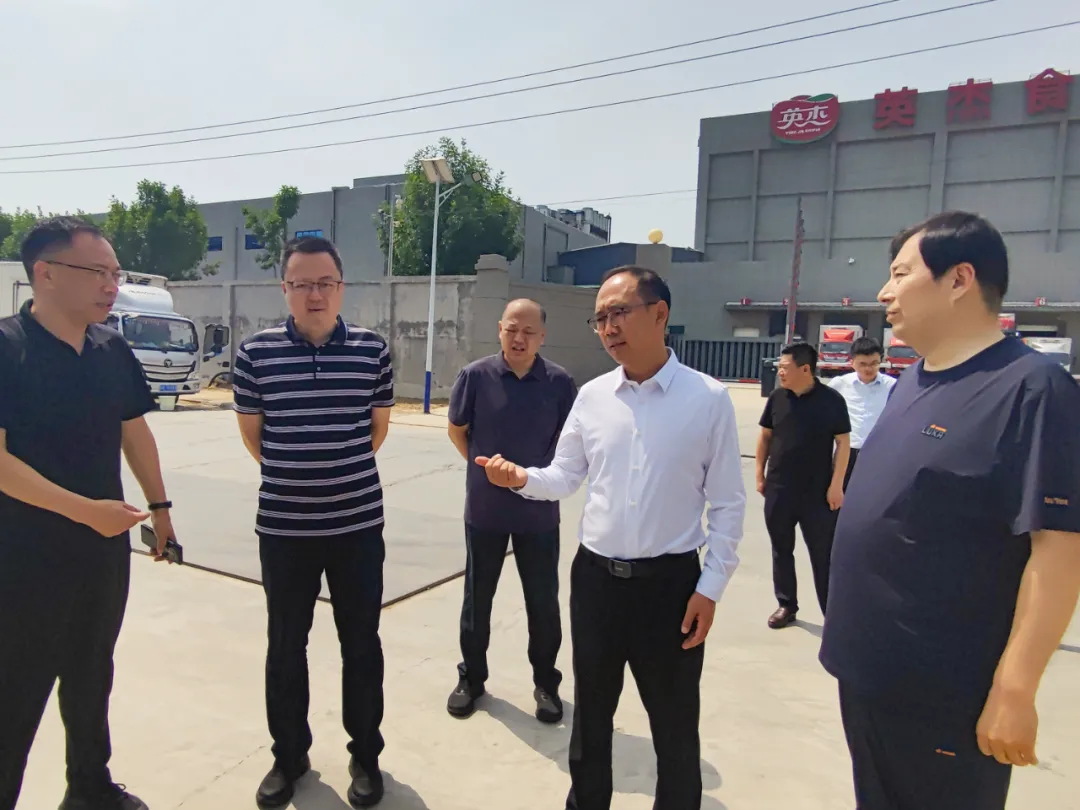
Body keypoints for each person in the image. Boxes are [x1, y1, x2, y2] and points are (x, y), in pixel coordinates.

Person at [820, 211, 1080, 810]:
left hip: (945, 696)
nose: (884, 292)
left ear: (960, 279)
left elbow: (1059, 550)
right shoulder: (914, 380)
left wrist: (1015, 689)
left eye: (900, 274)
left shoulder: (1031, 389)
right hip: (870, 676)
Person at [476, 266, 745, 810]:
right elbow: (565, 476)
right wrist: (521, 478)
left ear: (659, 314)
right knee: (592, 718)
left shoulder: (708, 399)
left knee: (674, 724)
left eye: (618, 312)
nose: (607, 328)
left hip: (670, 588)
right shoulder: (593, 397)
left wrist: (710, 587)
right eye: (600, 318)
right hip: (596, 581)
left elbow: (728, 504)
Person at [0, 217, 177, 810]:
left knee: (91, 673)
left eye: (115, 273)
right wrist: (84, 512)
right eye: (97, 272)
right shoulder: (7, 348)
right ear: (45, 273)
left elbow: (134, 429)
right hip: (23, 557)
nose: (111, 285)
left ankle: (90, 789)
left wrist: (160, 507)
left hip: (102, 553)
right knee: (16, 690)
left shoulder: (110, 348)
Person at [232, 237, 395, 809]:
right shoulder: (255, 354)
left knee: (362, 644)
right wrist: (298, 477)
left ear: (341, 287)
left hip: (357, 526)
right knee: (285, 645)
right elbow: (254, 437)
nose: (314, 294)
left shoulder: (373, 351)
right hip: (284, 529)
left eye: (325, 282)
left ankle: (366, 755)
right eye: (302, 284)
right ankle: (289, 755)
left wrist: (334, 476)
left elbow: (376, 430)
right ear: (285, 289)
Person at [445, 299, 577, 721]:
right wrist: (484, 471)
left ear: (542, 336)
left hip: (538, 513)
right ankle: (472, 679)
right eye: (511, 329)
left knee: (543, 602)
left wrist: (534, 480)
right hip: (485, 510)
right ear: (500, 329)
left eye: (529, 332)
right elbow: (457, 429)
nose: (519, 338)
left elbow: (569, 444)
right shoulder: (476, 376)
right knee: (477, 599)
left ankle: (546, 684)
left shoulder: (560, 383)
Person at [755, 342, 850, 629]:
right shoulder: (777, 398)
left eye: (785, 367)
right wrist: (759, 475)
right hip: (779, 489)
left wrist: (837, 485)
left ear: (805, 369)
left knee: (822, 554)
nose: (780, 372)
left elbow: (842, 443)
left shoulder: (831, 400)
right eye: (779, 367)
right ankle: (786, 605)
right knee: (781, 549)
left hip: (817, 493)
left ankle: (832, 613)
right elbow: (765, 437)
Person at [827, 336, 895, 489]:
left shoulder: (892, 386)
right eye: (862, 364)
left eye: (874, 363)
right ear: (852, 362)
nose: (868, 369)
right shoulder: (839, 384)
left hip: (878, 452)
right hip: (845, 452)